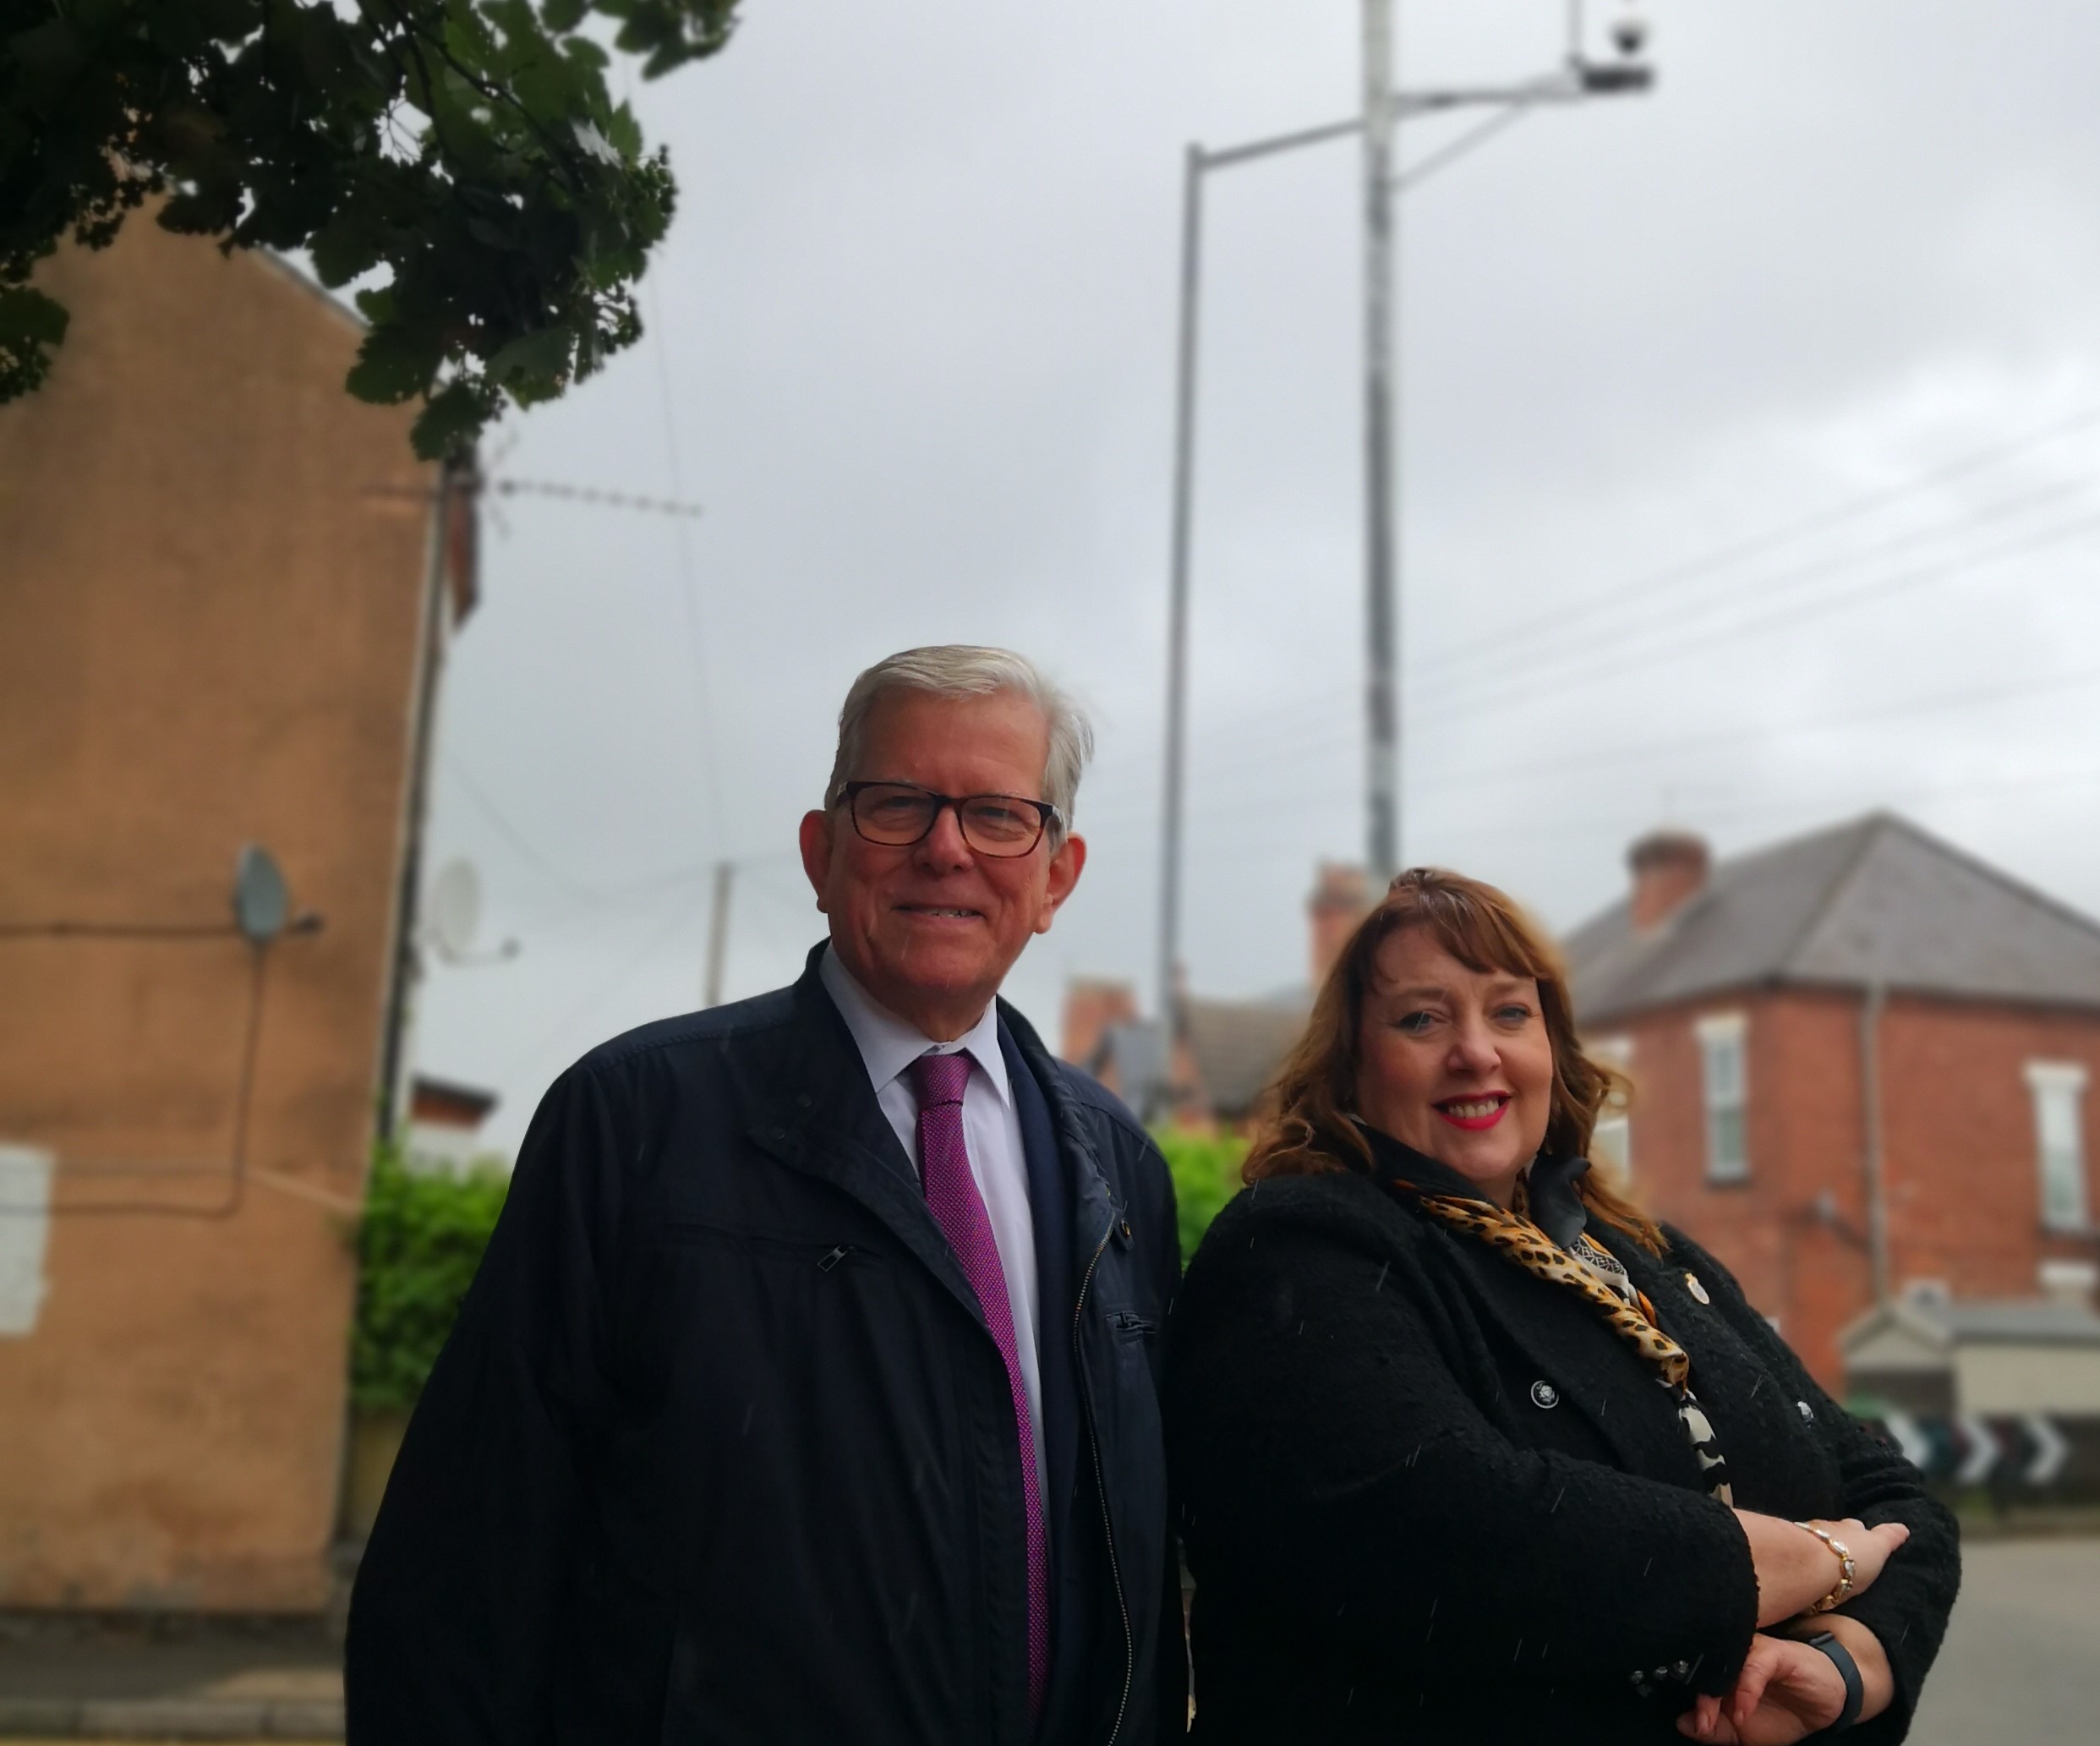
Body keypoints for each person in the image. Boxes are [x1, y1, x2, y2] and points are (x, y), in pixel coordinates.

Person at [347, 646, 1185, 1745]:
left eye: (995, 814)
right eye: (896, 805)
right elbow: (464, 1570)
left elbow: (1141, 1567)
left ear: (1055, 877)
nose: (944, 848)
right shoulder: (633, 1120)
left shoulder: (1116, 1163)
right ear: (820, 850)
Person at [1164, 868, 1960, 1744]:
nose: (1476, 1051)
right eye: (1420, 1018)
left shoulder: (1648, 1257)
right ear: (1352, 1064)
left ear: (1553, 1046)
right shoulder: (1297, 1244)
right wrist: (1816, 1558)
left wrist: (1848, 1660)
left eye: (1509, 1012)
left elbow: (1890, 1492)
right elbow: (1458, 1533)